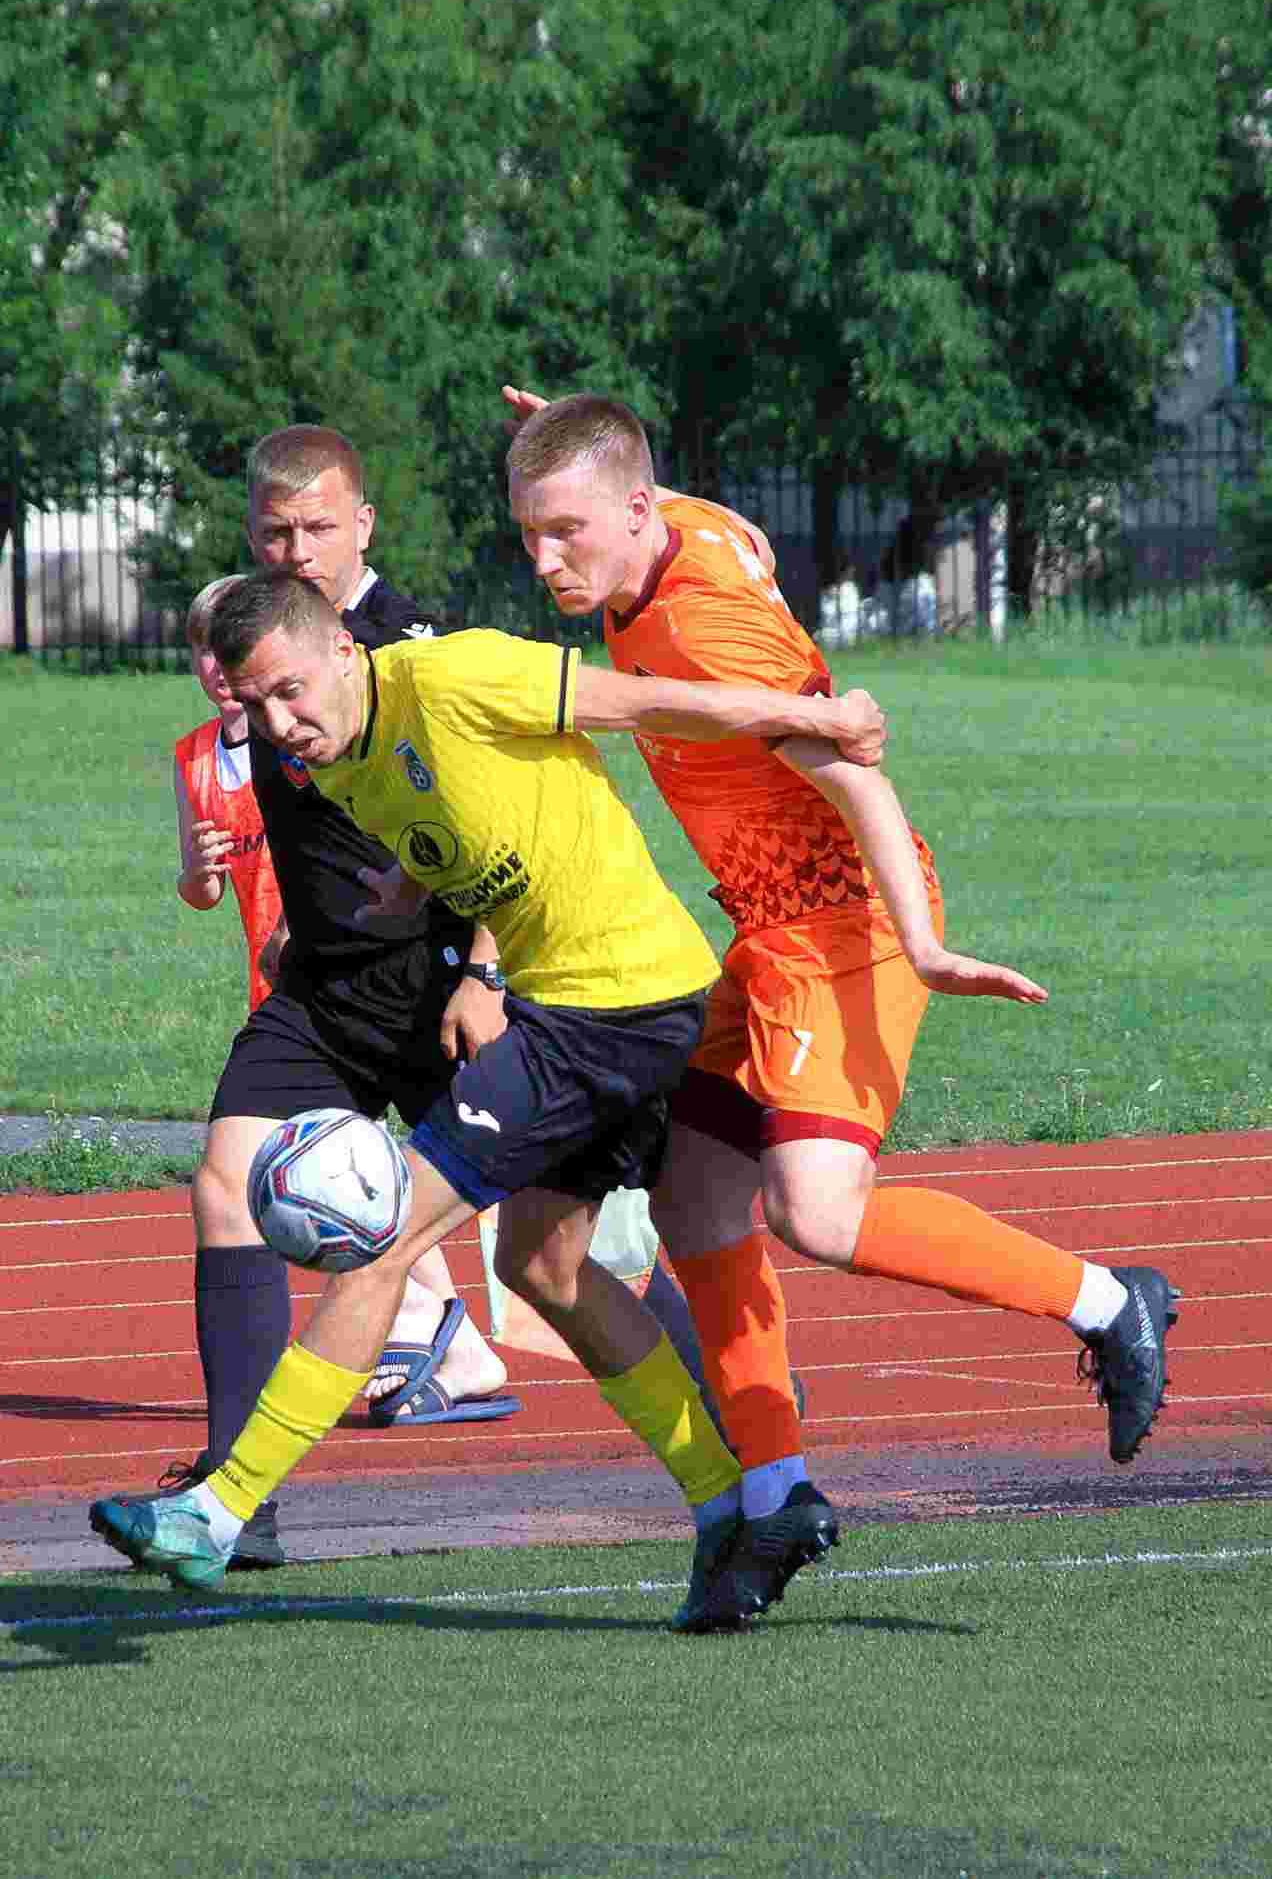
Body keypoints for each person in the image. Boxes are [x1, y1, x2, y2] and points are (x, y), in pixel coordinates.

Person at [501, 389, 1181, 1630]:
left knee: (811, 1213)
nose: (546, 561)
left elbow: (854, 768)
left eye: (565, 533)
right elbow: (667, 496)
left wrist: (920, 944)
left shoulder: (711, 638)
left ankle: (1103, 1300)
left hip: (844, 920)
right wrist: (574, 430)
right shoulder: (679, 535)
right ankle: (774, 1494)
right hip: (766, 926)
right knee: (693, 1202)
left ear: (635, 511)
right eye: (530, 533)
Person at [89, 567, 887, 1604]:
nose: (279, 722)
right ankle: (730, 1505)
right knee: (541, 1265)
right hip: (595, 1007)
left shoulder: (457, 676)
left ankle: (220, 1506)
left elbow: (645, 701)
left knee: (387, 1240)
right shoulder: (338, 766)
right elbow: (465, 818)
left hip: (611, 1005)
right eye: (254, 705)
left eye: (289, 689)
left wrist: (813, 713)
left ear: (343, 649)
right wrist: (403, 886)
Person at [126, 428, 524, 1575]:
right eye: (272, 530)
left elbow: (503, 822)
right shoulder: (257, 647)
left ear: (363, 526)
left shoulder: (413, 649)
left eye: (315, 527)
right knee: (225, 1181)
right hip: (326, 996)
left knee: (570, 1235)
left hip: (449, 989)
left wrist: (489, 971)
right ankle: (230, 1499)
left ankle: (752, 1430)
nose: (293, 548)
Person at [174, 575, 285, 1015]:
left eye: (232, 646)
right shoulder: (194, 757)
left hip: (331, 958)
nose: (220, 664)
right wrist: (198, 871)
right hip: (268, 971)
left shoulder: (297, 740)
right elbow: (204, 893)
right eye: (206, 649)